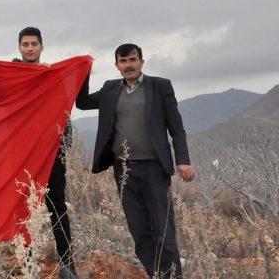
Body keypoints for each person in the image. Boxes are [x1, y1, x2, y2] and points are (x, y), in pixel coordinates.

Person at [76, 43, 194, 279]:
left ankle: (173, 276)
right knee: (139, 231)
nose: (128, 65)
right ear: (117, 65)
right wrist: (83, 71)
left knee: (163, 230)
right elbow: (82, 103)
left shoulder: (160, 86)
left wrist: (183, 160)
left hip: (154, 168)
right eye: (123, 61)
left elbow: (177, 128)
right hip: (124, 169)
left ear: (141, 62)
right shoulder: (110, 89)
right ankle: (156, 274)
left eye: (132, 60)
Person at [13, 27, 79, 279]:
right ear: (19, 47)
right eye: (25, 44)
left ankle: (67, 263)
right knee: (23, 208)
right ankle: (28, 264)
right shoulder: (11, 73)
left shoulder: (52, 75)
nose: (30, 48)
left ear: (42, 47)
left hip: (52, 152)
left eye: (34, 44)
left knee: (57, 206)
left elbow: (67, 103)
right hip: (21, 154)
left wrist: (76, 71)